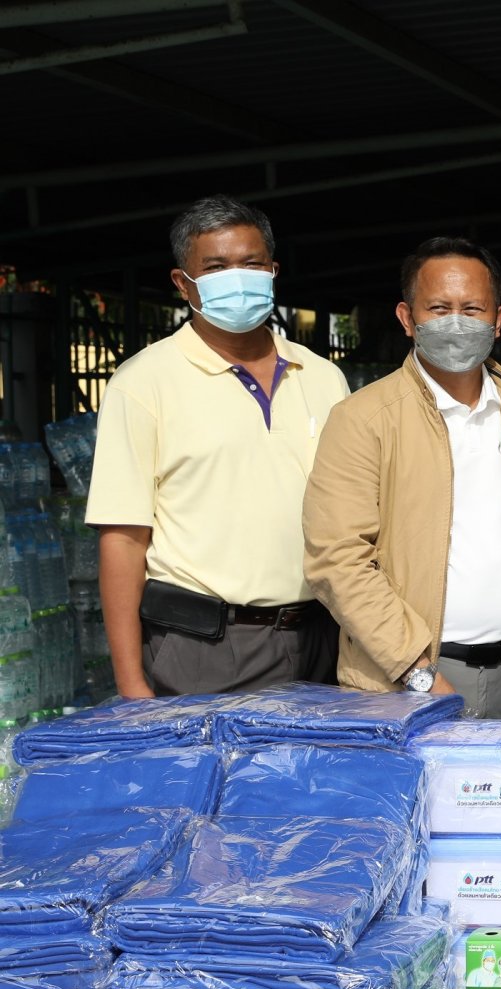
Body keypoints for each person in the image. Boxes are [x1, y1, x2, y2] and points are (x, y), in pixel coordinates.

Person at [88, 195, 349, 697]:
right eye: (216, 267)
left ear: (273, 271)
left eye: (251, 264)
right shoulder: (142, 383)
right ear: (182, 282)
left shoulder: (323, 377)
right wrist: (131, 683)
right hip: (202, 649)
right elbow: (123, 538)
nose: (238, 278)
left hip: (321, 638)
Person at [305, 237, 501, 718]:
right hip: (404, 679)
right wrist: (418, 671)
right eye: (439, 309)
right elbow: (337, 559)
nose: (456, 322)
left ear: (498, 320)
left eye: (472, 309)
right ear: (407, 318)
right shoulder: (364, 419)